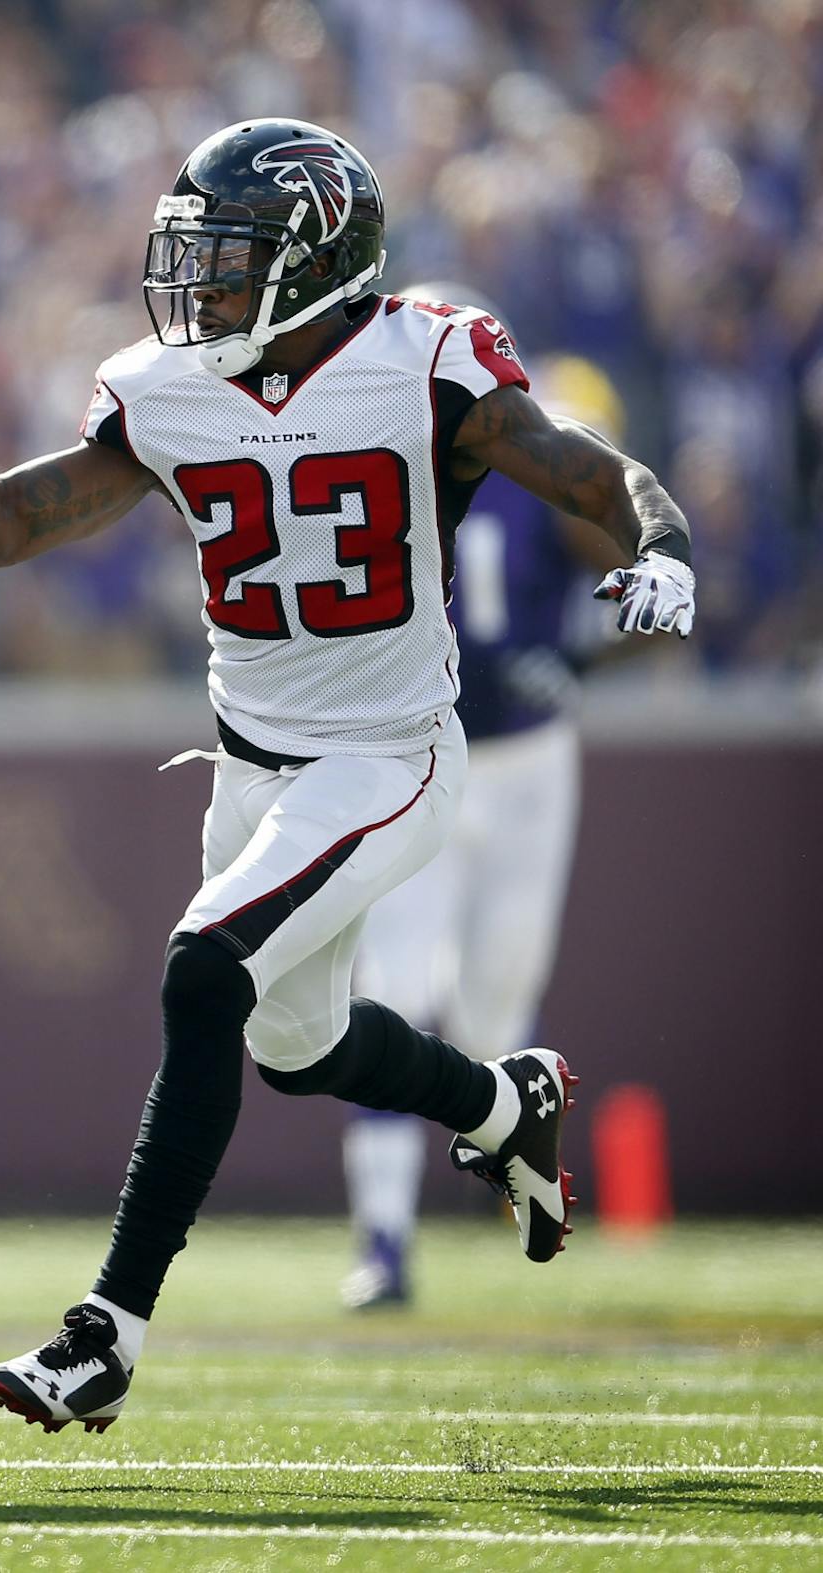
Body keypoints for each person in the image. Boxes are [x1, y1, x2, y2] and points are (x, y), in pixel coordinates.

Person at [0, 118, 695, 1434]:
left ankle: (105, 1335)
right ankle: (502, 1100)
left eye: (234, 256)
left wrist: (662, 541)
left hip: (389, 759)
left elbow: (587, 471)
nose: (203, 288)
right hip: (253, 770)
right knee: (295, 1047)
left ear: (318, 260)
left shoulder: (423, 361)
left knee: (204, 969)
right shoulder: (171, 387)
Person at [342, 324, 632, 1310]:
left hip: (528, 761)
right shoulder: (367, 466)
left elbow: (637, 567)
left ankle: (500, 1167)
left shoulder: (538, 455)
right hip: (418, 758)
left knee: (496, 1004)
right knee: (392, 993)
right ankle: (382, 1240)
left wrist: (585, 656)